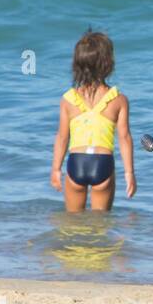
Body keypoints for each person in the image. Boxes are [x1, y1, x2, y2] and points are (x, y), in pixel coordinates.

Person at [50, 29, 136, 212]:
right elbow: (125, 138)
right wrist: (129, 173)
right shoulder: (118, 100)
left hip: (76, 163)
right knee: (101, 224)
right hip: (102, 164)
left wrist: (56, 169)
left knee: (72, 224)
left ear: (77, 65)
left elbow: (62, 137)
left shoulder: (68, 99)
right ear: (108, 64)